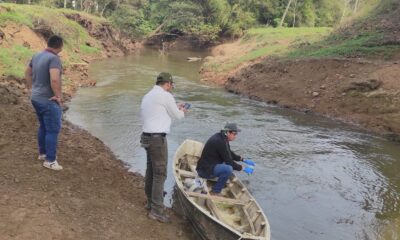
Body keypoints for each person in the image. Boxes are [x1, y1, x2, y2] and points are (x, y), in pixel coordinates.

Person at [140, 72, 188, 223]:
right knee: (160, 174)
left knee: (151, 171)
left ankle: (150, 203)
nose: (171, 89)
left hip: (146, 136)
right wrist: (183, 110)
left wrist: (175, 107)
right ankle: (157, 211)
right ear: (167, 84)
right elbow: (178, 116)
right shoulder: (166, 96)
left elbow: (158, 112)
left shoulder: (148, 95)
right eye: (171, 86)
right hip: (157, 140)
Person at [25, 35, 64, 171]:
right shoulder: (54, 59)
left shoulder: (36, 55)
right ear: (60, 46)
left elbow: (27, 73)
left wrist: (32, 88)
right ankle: (50, 160)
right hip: (48, 99)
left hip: (35, 97)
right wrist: (58, 96)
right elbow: (54, 79)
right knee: (53, 129)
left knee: (43, 126)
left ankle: (42, 154)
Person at [196, 123, 255, 195]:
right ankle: (216, 191)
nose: (235, 136)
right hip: (204, 171)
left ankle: (220, 181)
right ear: (227, 132)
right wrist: (243, 168)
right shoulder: (220, 142)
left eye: (236, 134)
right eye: (234, 133)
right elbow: (229, 162)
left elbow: (229, 152)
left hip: (208, 165)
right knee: (228, 169)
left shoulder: (222, 138)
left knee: (227, 165)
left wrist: (243, 159)